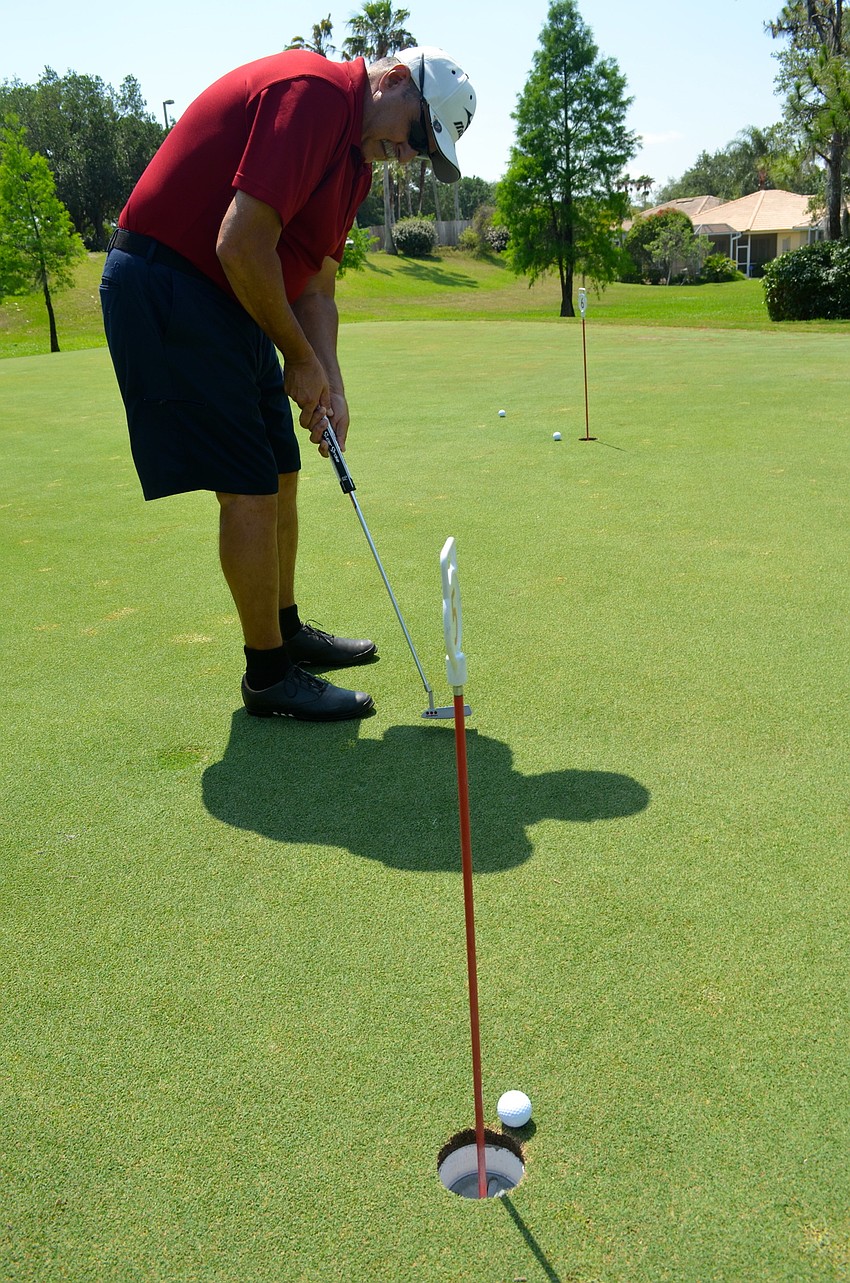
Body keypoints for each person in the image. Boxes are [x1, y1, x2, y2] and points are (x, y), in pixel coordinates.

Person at [100, 46, 476, 721]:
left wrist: (330, 382)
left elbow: (318, 288)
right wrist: (298, 361)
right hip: (169, 280)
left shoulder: (354, 167)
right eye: (418, 134)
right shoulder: (315, 95)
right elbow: (240, 242)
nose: (411, 154)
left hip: (229, 294)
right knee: (246, 483)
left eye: (424, 149)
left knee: (281, 468)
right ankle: (268, 675)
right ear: (394, 81)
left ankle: (285, 629)